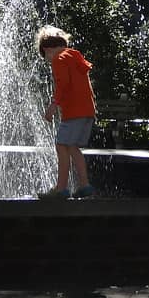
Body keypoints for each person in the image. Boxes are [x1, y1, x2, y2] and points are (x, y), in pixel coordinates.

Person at [36, 25, 96, 199]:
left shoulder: (59, 59)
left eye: (46, 56)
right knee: (71, 146)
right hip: (87, 111)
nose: (48, 61)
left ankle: (60, 189)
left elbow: (63, 85)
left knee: (61, 145)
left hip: (74, 112)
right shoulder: (74, 56)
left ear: (47, 49)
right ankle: (85, 185)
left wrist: (53, 105)